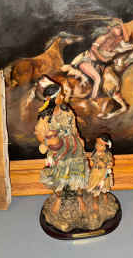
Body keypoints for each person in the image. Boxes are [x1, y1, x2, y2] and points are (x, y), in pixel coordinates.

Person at [34, 76, 89, 213]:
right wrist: (46, 143)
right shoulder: (45, 117)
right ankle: (59, 199)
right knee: (58, 173)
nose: (63, 97)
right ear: (51, 99)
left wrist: (78, 137)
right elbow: (40, 133)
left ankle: (79, 198)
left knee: (78, 170)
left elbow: (73, 126)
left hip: (73, 145)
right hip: (57, 149)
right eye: (60, 95)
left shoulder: (67, 110)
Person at [70, 22, 132, 99]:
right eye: (117, 27)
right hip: (87, 61)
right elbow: (93, 49)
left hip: (98, 66)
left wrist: (122, 24)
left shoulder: (116, 41)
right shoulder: (102, 38)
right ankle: (92, 99)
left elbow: (126, 39)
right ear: (110, 28)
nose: (120, 30)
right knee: (97, 79)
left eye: (121, 29)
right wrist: (103, 59)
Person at [86, 134, 114, 210]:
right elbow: (91, 158)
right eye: (97, 143)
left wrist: (106, 165)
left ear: (106, 146)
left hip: (104, 175)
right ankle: (95, 201)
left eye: (101, 145)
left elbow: (111, 163)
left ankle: (105, 197)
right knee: (95, 190)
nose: (97, 146)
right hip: (95, 174)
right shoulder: (94, 153)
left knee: (104, 188)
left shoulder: (108, 155)